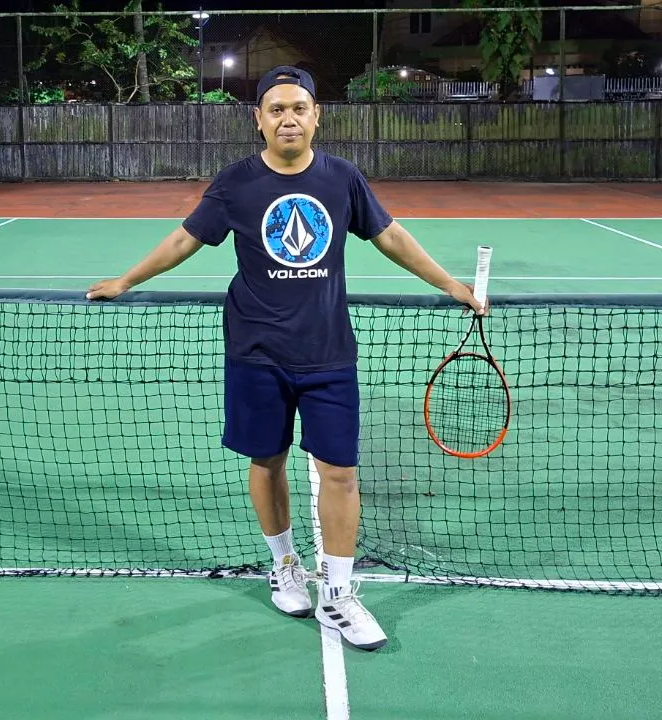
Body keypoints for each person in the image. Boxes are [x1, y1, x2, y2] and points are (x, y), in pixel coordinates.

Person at [87, 66, 485, 652]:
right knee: (267, 461)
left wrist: (449, 284)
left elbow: (391, 235)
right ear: (259, 120)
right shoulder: (237, 182)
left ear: (317, 115)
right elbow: (185, 238)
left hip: (328, 354)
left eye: (299, 108)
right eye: (276, 109)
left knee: (341, 472)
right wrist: (126, 280)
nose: (288, 118)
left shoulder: (342, 178)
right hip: (256, 353)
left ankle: (340, 594)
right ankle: (284, 565)